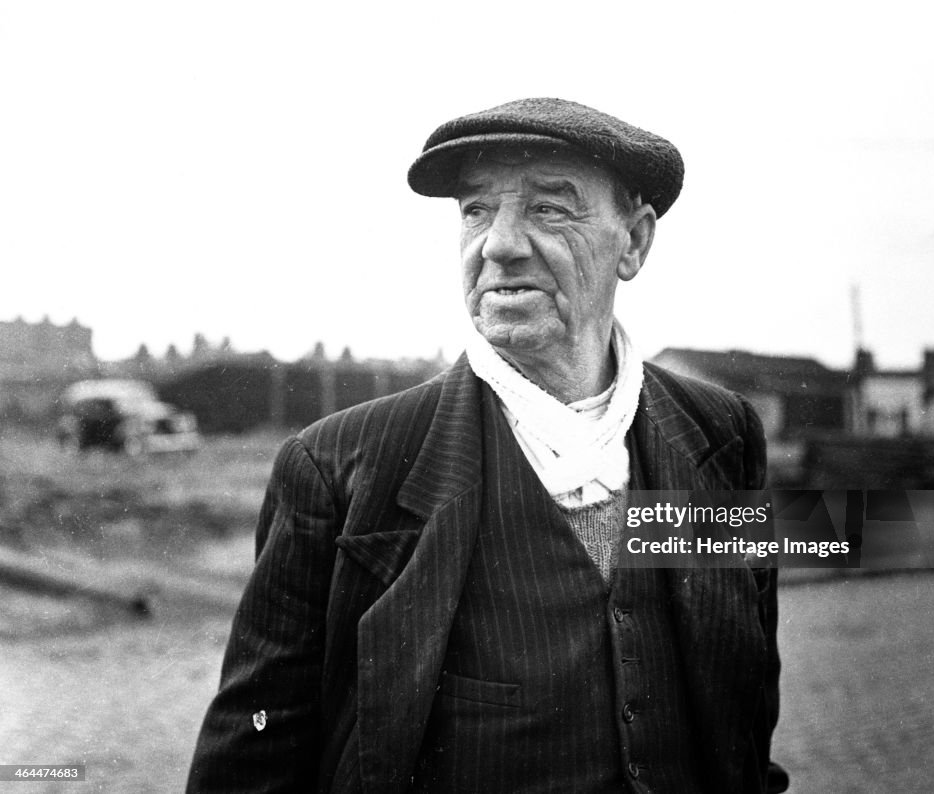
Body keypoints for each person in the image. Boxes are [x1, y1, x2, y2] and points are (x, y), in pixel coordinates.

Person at [188, 97, 788, 793]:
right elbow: (250, 758)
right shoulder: (337, 467)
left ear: (634, 242)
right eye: (476, 209)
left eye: (550, 208)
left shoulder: (721, 434)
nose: (498, 243)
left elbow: (747, 719)